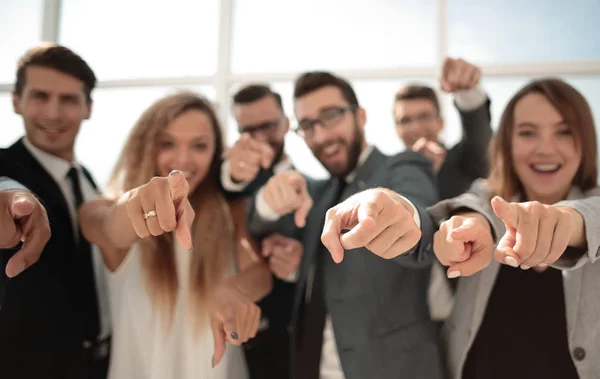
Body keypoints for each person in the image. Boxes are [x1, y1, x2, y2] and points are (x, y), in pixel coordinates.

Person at [247, 71, 444, 379]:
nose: (321, 136)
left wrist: (401, 216)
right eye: (308, 126)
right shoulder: (315, 193)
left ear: (360, 116)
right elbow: (257, 224)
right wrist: (268, 202)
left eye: (331, 116)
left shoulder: (403, 165)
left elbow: (422, 217)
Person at [79, 91, 273, 379]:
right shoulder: (101, 208)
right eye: (167, 143)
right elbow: (109, 227)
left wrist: (233, 291)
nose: (183, 158)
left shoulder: (230, 211)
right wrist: (137, 202)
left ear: (215, 152)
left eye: (199, 145)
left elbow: (259, 272)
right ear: (145, 145)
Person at [429, 78, 600, 378]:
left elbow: (593, 215)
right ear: (506, 142)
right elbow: (475, 205)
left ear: (585, 140)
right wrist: (469, 225)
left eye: (564, 131)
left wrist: (569, 222)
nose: (545, 148)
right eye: (527, 132)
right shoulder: (486, 196)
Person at [0, 43, 110, 379]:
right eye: (40, 96)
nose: (53, 113)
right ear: (17, 101)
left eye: (68, 100)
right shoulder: (5, 167)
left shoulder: (88, 181)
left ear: (88, 107)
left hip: (100, 364)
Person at [393, 57, 492, 320]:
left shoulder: (464, 161)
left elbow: (481, 142)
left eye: (424, 117)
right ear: (396, 129)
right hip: (406, 320)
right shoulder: (388, 178)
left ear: (440, 122)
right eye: (405, 120)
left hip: (468, 309)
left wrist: (467, 92)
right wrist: (414, 168)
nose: (415, 127)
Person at [220, 84, 301, 379]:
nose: (259, 138)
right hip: (228, 340)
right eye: (248, 130)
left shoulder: (317, 186)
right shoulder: (229, 180)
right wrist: (233, 174)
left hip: (291, 342)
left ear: (286, 123)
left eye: (267, 126)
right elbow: (226, 184)